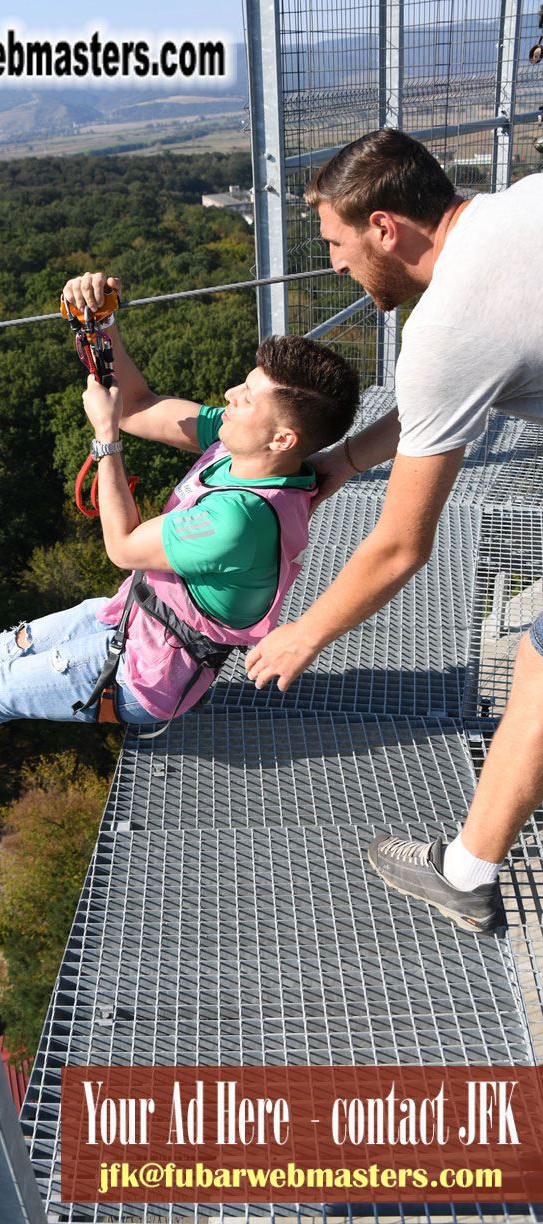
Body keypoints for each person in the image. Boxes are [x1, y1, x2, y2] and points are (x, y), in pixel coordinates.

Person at [244, 128, 543, 934]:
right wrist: (345, 458)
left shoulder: (443, 328)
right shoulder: (521, 207)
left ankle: (464, 877)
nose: (334, 265)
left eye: (338, 244)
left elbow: (402, 547)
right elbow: (453, 397)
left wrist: (305, 635)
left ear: (386, 227)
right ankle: (468, 867)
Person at [0, 271, 358, 751]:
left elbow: (122, 547)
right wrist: (101, 324)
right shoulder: (245, 454)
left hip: (146, 674)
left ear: (282, 438)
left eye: (247, 399)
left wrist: (106, 439)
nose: (229, 396)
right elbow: (138, 406)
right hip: (130, 616)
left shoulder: (238, 519)